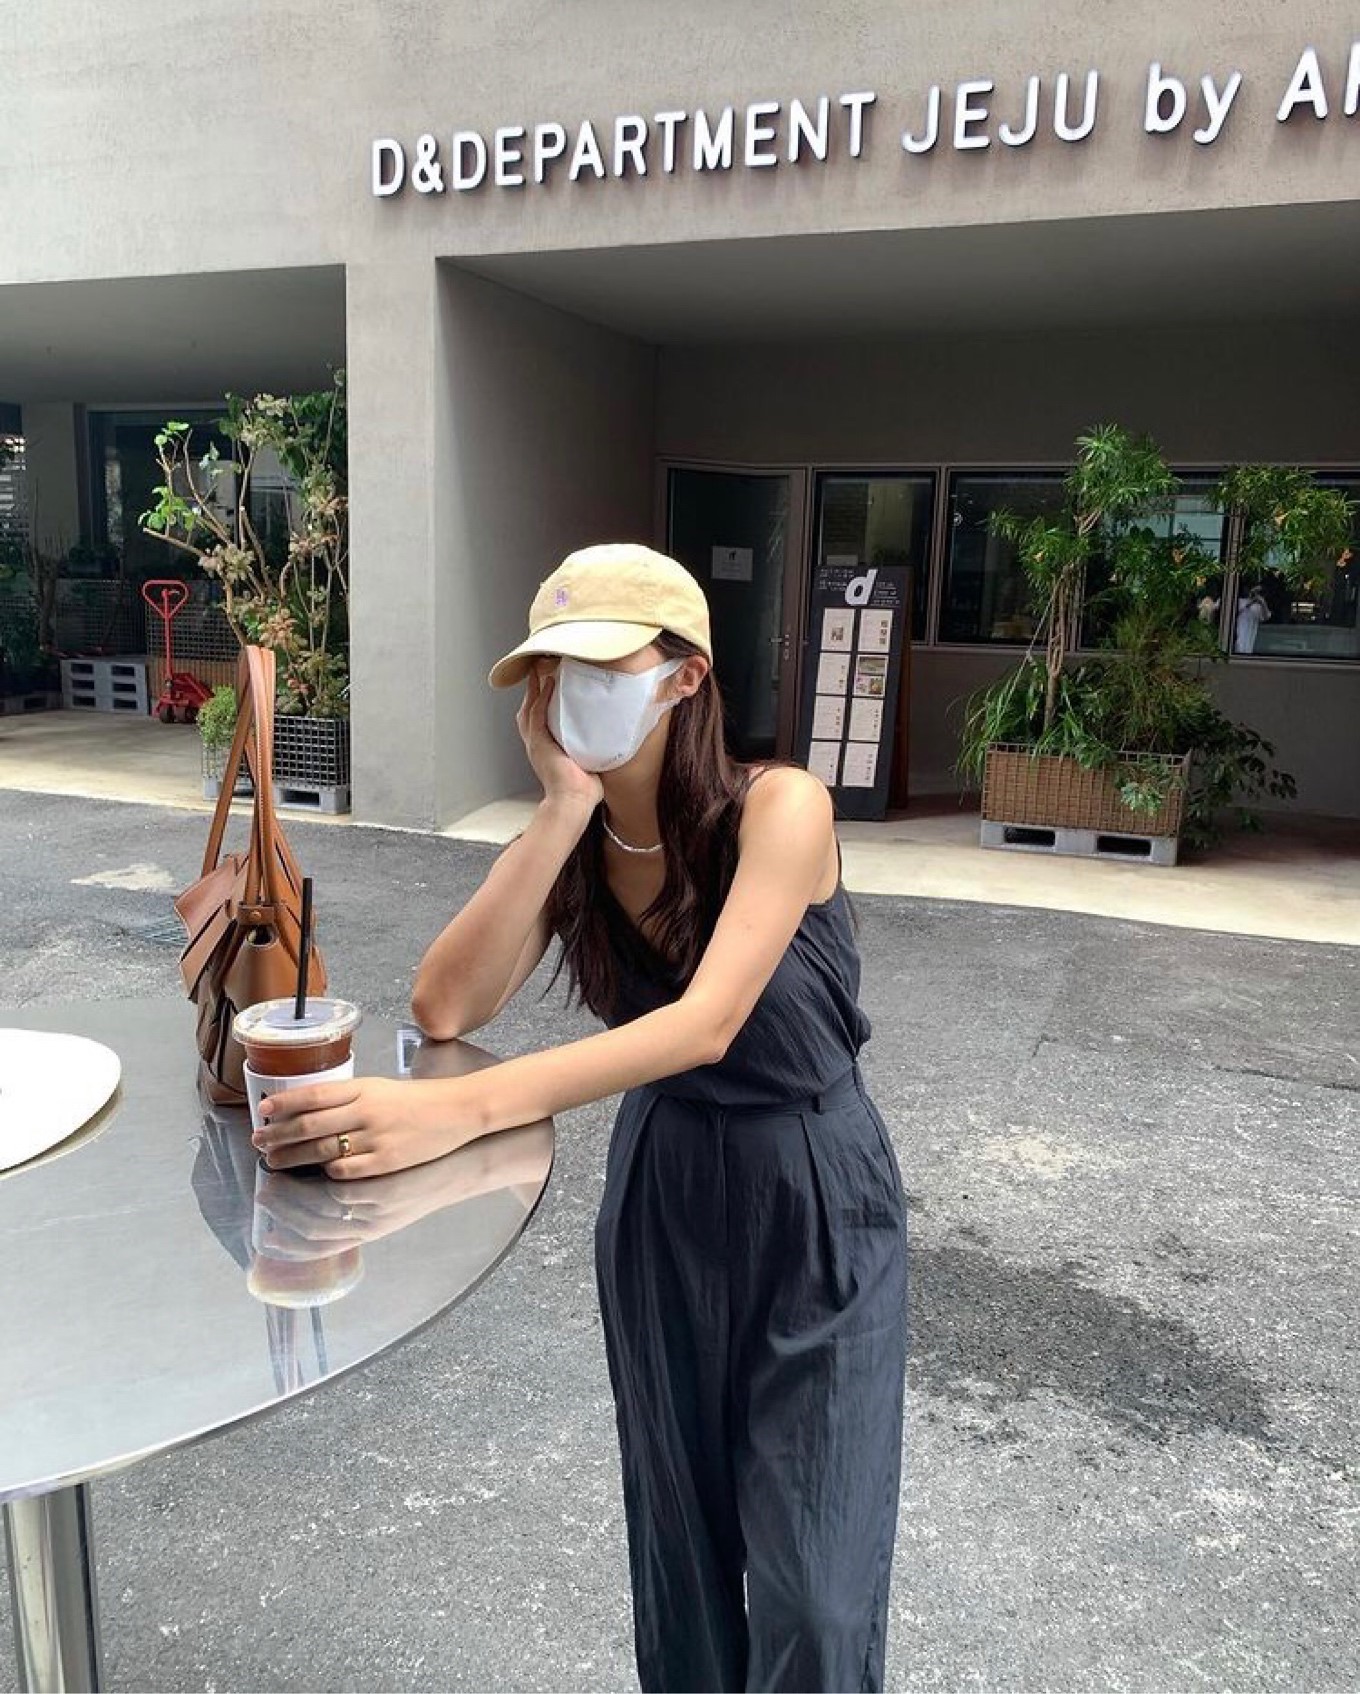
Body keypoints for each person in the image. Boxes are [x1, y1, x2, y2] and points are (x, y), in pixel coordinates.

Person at [252, 542, 909, 1693]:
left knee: (818, 1592)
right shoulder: (578, 844)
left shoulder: (781, 806)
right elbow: (445, 1001)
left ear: (685, 676)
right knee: (678, 1548)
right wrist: (561, 809)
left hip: (814, 1189)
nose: (569, 691)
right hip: (665, 1194)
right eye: (550, 670)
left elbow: (707, 1021)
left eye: (602, 666)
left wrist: (457, 1106)